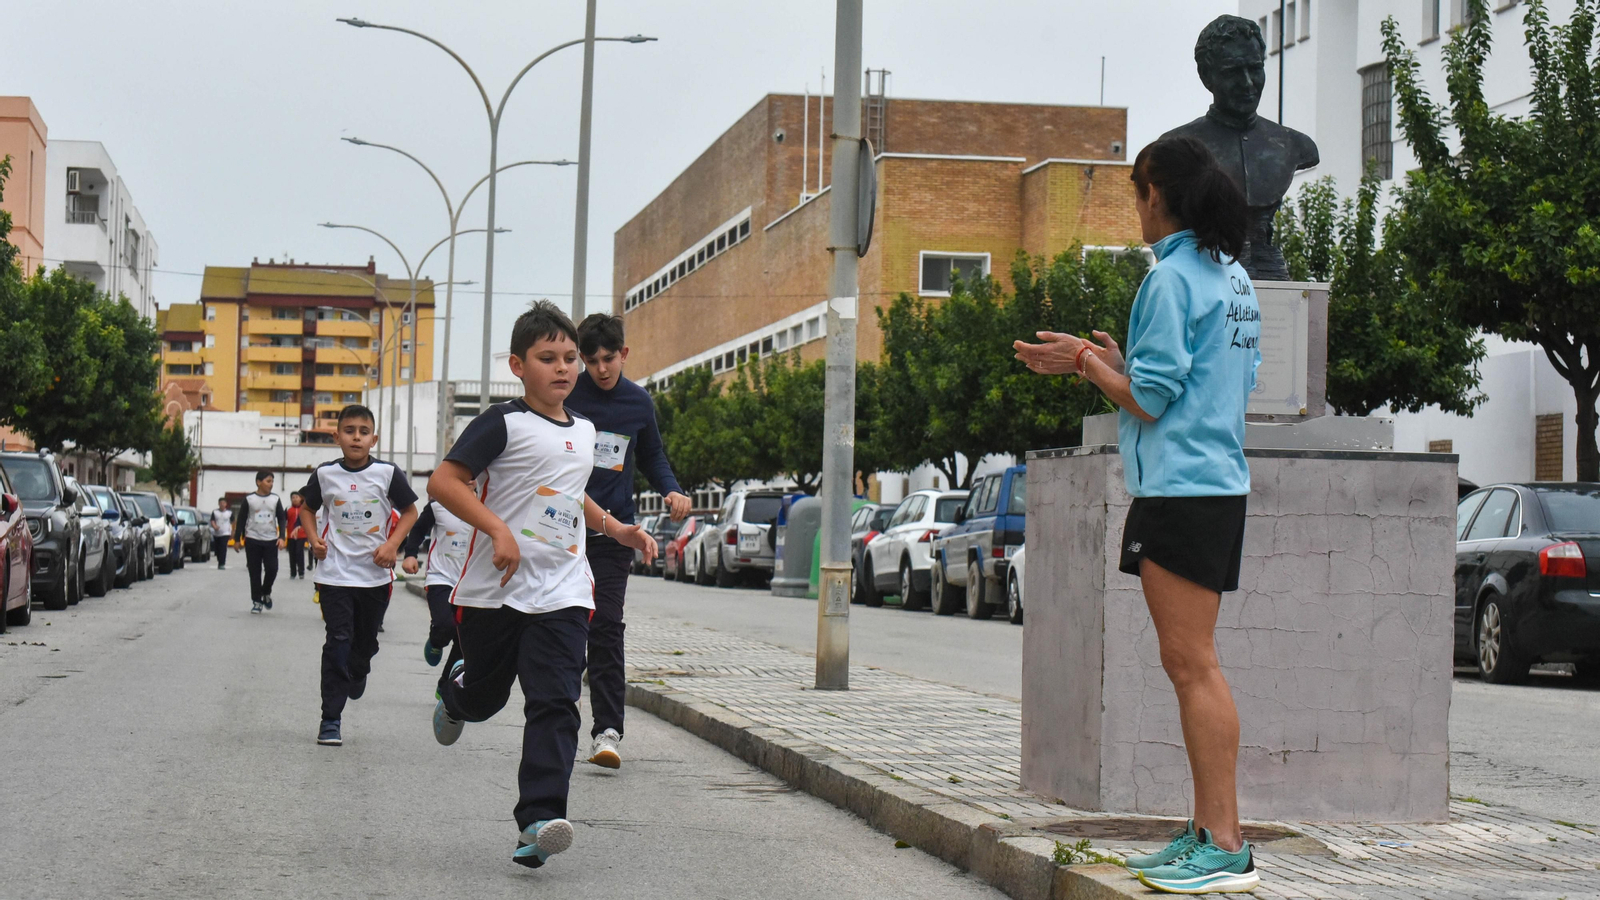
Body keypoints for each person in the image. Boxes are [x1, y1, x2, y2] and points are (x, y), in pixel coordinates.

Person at [1014, 136, 1262, 895]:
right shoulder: (1235, 277)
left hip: (1182, 491)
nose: (1136, 209)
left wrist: (1089, 366)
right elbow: (1207, 379)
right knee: (1193, 662)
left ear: (1160, 195)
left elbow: (1151, 400)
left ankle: (1223, 843)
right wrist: (1120, 361)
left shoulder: (1169, 279)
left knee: (1193, 665)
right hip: (1218, 483)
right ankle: (1203, 832)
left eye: (1136, 192)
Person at [427, 301, 657, 871]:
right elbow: (443, 481)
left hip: (562, 589)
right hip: (496, 588)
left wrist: (617, 529)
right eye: (547, 358)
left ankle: (539, 819)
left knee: (555, 702)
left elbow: (571, 493)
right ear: (518, 365)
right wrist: (497, 529)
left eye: (570, 358)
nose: (563, 368)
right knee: (487, 698)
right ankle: (457, 690)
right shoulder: (501, 423)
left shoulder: (584, 429)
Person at [564, 312, 690, 769]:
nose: (601, 368)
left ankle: (607, 732)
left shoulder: (638, 403)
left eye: (609, 358)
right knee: (564, 630)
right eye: (591, 360)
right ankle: (558, 718)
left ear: (624, 354)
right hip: (563, 530)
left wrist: (671, 489)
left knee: (606, 627)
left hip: (617, 534)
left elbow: (653, 455)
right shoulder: (567, 397)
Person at [298, 405, 419, 748]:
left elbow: (410, 511)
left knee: (364, 643)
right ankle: (330, 720)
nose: (356, 437)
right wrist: (313, 540)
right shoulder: (324, 475)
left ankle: (360, 668)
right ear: (336, 437)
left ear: (373, 438)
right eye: (349, 431)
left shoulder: (386, 473)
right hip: (334, 573)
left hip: (375, 576)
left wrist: (392, 545)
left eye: (363, 432)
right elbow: (308, 509)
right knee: (337, 640)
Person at [401, 497, 471, 667]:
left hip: (471, 582)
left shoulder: (487, 504)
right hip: (441, 577)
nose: (469, 478)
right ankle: (436, 640)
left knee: (466, 639)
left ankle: (447, 685)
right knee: (445, 626)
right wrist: (411, 555)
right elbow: (418, 530)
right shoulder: (438, 506)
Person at [235, 470, 287, 614]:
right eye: (268, 481)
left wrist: (282, 537)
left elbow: (281, 518)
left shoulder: (275, 499)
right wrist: (237, 539)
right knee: (255, 571)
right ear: (259, 482)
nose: (271, 484)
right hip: (252, 539)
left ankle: (266, 591)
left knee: (272, 569)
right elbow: (241, 519)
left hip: (270, 540)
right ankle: (257, 601)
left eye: (272, 482)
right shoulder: (249, 499)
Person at [286, 492, 309, 579]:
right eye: (293, 497)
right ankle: (293, 572)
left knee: (299, 552)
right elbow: (284, 520)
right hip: (290, 535)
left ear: (300, 498)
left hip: (301, 535)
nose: (295, 499)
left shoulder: (304, 509)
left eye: (296, 497)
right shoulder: (288, 509)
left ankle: (301, 572)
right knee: (292, 554)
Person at [209, 498, 233, 570]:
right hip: (217, 533)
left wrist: (233, 532)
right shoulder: (215, 512)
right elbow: (212, 521)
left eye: (223, 503)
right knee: (218, 549)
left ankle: (222, 563)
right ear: (219, 504)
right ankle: (219, 559)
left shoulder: (229, 513)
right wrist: (215, 526)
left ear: (226, 504)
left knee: (223, 548)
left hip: (226, 533)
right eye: (221, 503)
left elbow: (233, 521)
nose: (222, 504)